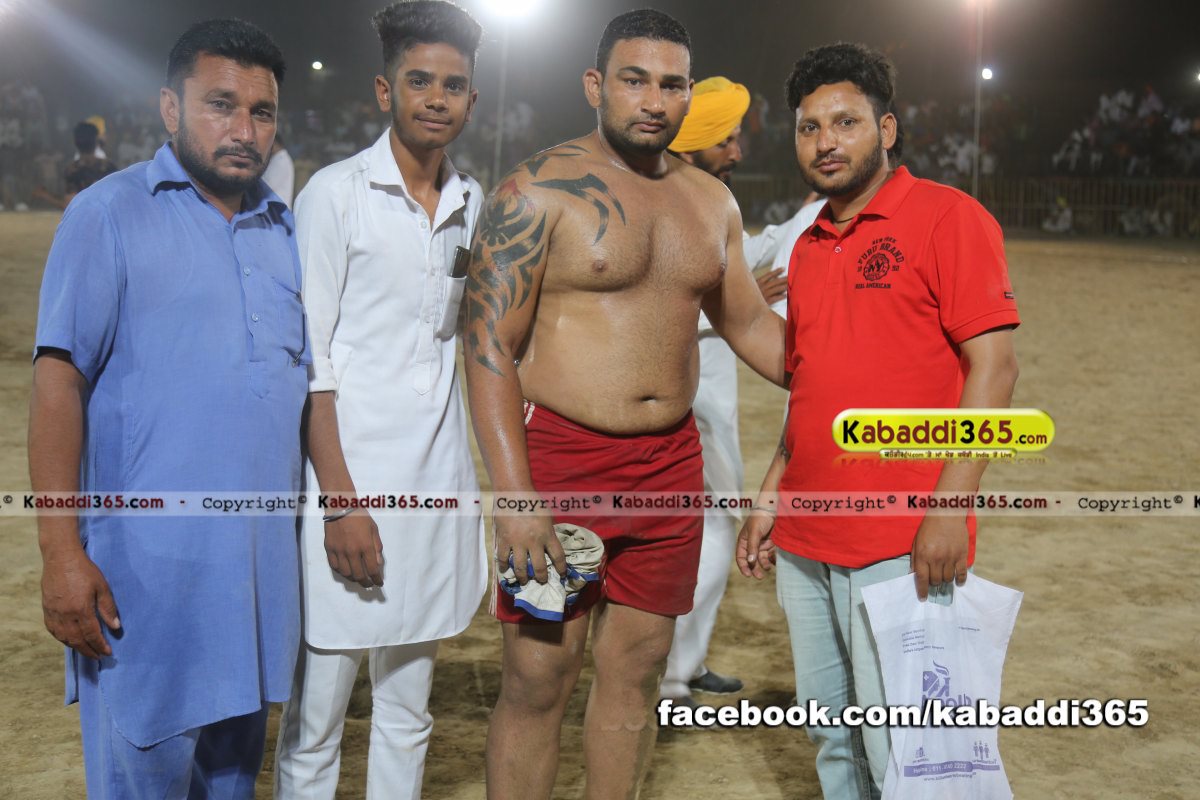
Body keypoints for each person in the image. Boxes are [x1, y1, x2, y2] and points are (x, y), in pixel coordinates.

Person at [464, 10, 786, 798]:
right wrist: (515, 496)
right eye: (634, 80)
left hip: (670, 465)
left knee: (638, 674)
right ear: (595, 85)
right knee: (540, 679)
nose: (653, 100)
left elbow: (750, 325)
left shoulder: (711, 202)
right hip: (563, 461)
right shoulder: (535, 191)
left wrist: (855, 376)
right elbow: (488, 348)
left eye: (671, 84)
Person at [29, 18, 308, 797]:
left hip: (253, 594)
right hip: (145, 591)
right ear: (170, 108)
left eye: (261, 112)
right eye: (221, 105)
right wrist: (60, 553)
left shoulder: (283, 229)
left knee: (231, 785)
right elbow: (57, 384)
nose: (244, 130)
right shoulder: (109, 213)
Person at [737, 43, 1020, 799]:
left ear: (886, 129)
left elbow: (996, 370)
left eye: (846, 122)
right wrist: (773, 490)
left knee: (904, 743)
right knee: (833, 738)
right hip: (806, 536)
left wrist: (948, 509)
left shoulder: (948, 218)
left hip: (901, 535)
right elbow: (811, 382)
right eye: (809, 127)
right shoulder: (808, 247)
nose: (825, 142)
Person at [272, 3, 486, 798]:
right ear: (384, 90)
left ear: (473, 101)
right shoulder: (335, 195)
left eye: (453, 85)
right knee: (316, 722)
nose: (436, 98)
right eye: (419, 80)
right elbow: (312, 361)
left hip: (435, 493)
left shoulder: (472, 201)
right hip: (349, 488)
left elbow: (460, 338)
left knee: (408, 711)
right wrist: (340, 505)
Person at [660, 75, 815, 707]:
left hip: (704, 403)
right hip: (684, 403)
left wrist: (811, 212)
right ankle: (671, 675)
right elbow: (647, 311)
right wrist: (732, 307)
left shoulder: (705, 200)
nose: (737, 151)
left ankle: (683, 665)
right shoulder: (674, 203)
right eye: (724, 139)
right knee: (710, 531)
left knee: (709, 530)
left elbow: (752, 257)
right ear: (691, 144)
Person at [262, 130, 295, 205]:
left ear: (274, 143)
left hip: (277, 207)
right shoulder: (276, 159)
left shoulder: (281, 161)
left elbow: (267, 186)